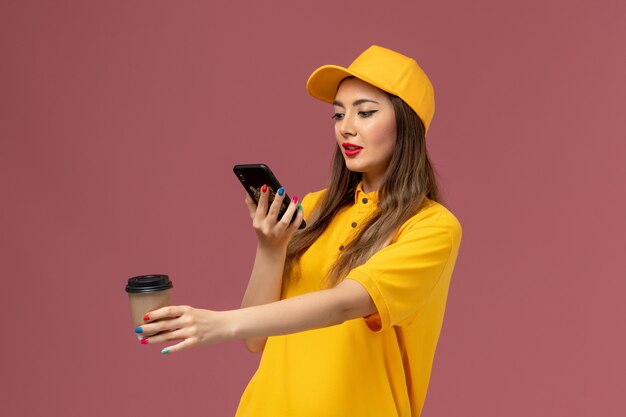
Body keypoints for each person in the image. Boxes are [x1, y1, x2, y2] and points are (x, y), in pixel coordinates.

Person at [135, 45, 462, 417]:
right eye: (338, 114)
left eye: (366, 112)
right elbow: (256, 340)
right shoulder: (314, 207)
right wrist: (271, 247)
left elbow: (345, 303)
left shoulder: (432, 227)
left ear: (407, 124)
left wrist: (218, 323)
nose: (346, 127)